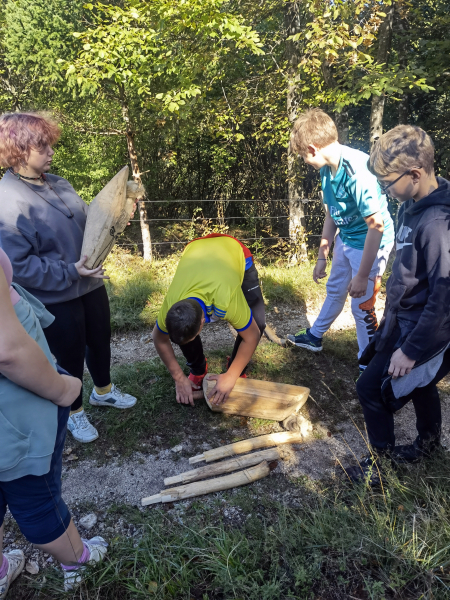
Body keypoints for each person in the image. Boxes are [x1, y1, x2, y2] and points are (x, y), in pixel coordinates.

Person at [0, 112, 136, 444]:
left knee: (100, 338)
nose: (51, 152)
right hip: (56, 295)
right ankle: (73, 411)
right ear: (19, 150)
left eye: (50, 145)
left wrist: (115, 220)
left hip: (89, 283)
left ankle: (102, 390)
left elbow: (88, 222)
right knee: (69, 354)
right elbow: (19, 266)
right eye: (43, 146)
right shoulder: (7, 200)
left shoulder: (58, 182)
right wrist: (69, 271)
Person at [345, 125, 450, 483]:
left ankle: (383, 465)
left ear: (415, 174)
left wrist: (411, 351)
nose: (385, 190)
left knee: (370, 389)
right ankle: (430, 445)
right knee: (421, 386)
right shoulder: (412, 206)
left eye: (388, 183)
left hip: (421, 332)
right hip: (400, 321)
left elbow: (444, 296)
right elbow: (406, 265)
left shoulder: (437, 223)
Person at [0, 247, 107, 598]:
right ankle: (78, 559)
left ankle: (1, 569)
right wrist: (62, 389)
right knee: (36, 497)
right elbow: (9, 351)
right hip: (15, 416)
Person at [286, 109, 395, 372]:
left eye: (302, 155)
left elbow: (377, 227)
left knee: (362, 307)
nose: (304, 160)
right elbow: (331, 213)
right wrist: (323, 254)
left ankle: (369, 365)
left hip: (371, 244)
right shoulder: (326, 169)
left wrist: (362, 274)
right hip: (348, 239)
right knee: (335, 289)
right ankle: (314, 337)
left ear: (313, 148)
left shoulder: (357, 171)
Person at [152, 233, 265, 405]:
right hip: (196, 251)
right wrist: (178, 378)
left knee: (258, 322)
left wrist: (231, 376)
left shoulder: (226, 299)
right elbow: (158, 339)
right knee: (185, 330)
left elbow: (253, 336)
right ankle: (198, 370)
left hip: (233, 250)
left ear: (203, 322)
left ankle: (235, 369)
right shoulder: (171, 305)